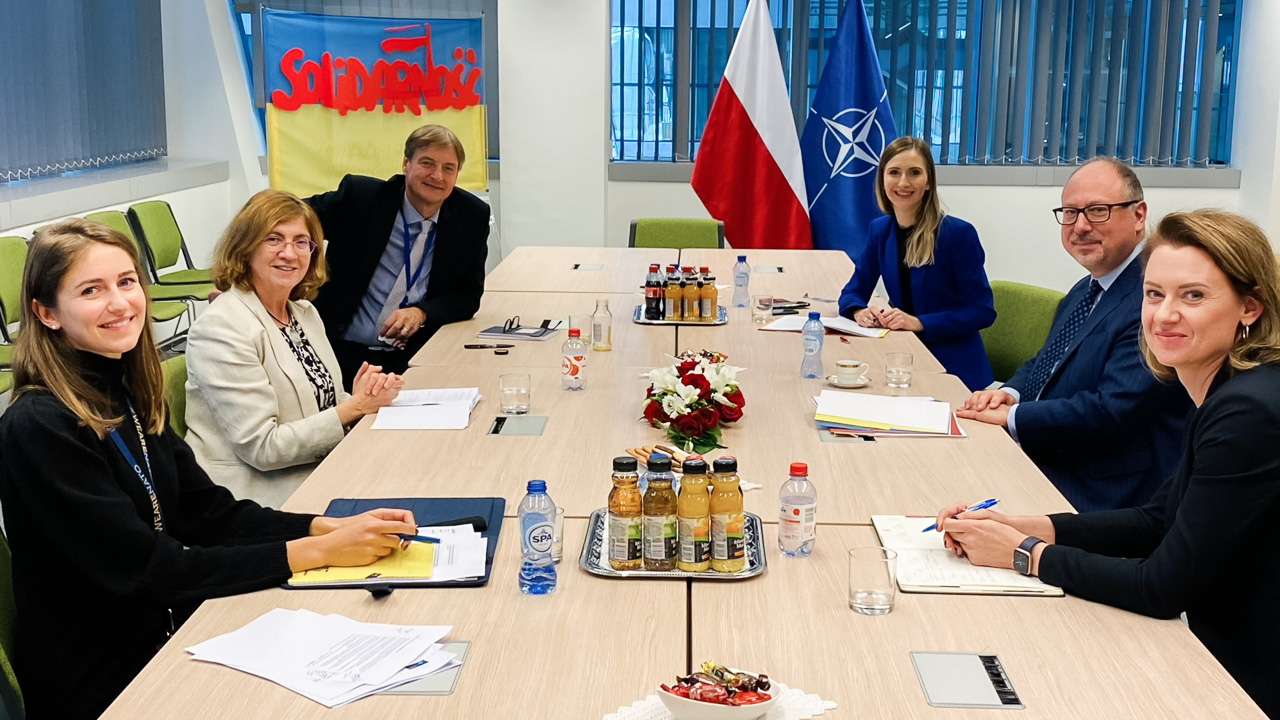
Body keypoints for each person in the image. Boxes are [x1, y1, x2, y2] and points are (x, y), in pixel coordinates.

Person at [0, 220, 420, 720]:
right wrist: (318, 552)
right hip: (106, 679)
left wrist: (326, 526)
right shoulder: (38, 426)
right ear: (46, 313)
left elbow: (210, 514)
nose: (119, 303)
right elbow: (150, 571)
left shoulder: (125, 390)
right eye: (92, 290)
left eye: (127, 282)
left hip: (168, 629)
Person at [935, 209, 1280, 716]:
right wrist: (1019, 526)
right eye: (1154, 294)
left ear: (1249, 307)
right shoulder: (1229, 386)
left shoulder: (1247, 411)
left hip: (1247, 681)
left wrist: (1023, 554)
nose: (1164, 315)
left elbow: (1161, 587)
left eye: (1193, 296)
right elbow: (1157, 519)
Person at [958, 158, 1189, 511]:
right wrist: (1008, 394)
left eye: (1097, 211)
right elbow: (1048, 360)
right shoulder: (1087, 288)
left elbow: (1111, 411)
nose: (1080, 226)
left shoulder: (1151, 297)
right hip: (1050, 454)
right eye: (1070, 213)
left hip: (1102, 489)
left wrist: (1011, 418)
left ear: (1139, 215)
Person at [184, 190, 404, 508]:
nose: (289, 253)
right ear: (245, 247)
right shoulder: (221, 328)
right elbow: (264, 448)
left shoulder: (304, 313)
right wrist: (355, 408)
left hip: (317, 469)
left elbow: (322, 406)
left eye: (301, 242)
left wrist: (359, 399)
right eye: (273, 239)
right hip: (254, 496)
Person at [307, 124, 491, 386]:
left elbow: (468, 296)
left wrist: (422, 313)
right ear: (406, 164)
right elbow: (288, 216)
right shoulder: (361, 199)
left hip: (412, 356)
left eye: (448, 168)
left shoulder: (471, 216)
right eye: (427, 163)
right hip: (341, 351)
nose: (437, 176)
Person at [838, 137, 996, 391]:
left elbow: (982, 311)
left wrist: (920, 322)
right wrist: (859, 311)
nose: (903, 182)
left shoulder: (957, 234)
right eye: (894, 172)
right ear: (882, 179)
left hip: (953, 369)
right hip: (901, 356)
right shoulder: (880, 230)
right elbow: (853, 291)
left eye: (914, 173)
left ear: (928, 181)